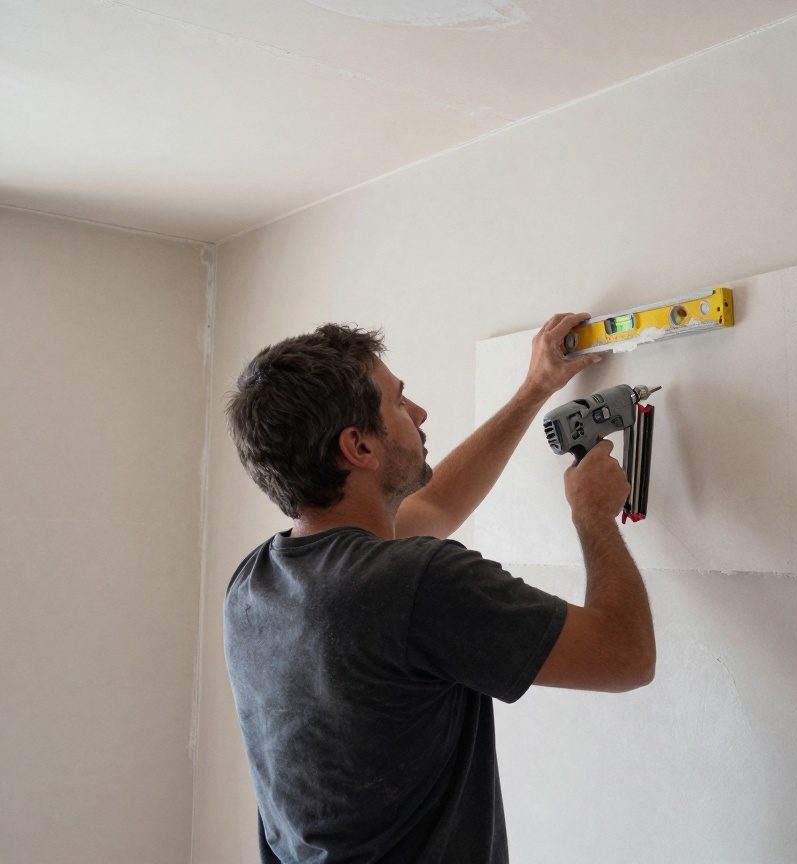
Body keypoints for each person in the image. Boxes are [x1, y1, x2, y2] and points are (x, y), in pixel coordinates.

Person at [223, 313, 655, 864]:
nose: (419, 413)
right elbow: (626, 656)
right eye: (399, 402)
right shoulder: (414, 581)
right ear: (359, 446)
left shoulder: (256, 583)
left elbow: (437, 507)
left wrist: (534, 391)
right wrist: (593, 518)